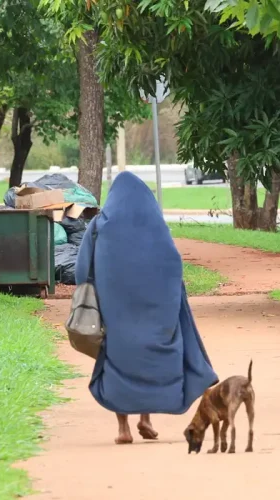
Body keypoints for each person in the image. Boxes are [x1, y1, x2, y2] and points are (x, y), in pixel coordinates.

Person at [75, 172, 218, 444]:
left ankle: (123, 429)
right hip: (156, 308)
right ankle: (146, 418)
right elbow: (174, 263)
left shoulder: (99, 226)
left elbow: (83, 269)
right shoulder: (156, 225)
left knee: (119, 360)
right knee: (149, 358)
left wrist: (90, 292)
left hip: (115, 309)